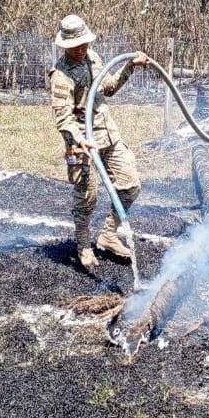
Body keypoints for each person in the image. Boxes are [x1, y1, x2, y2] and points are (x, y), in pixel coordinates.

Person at [48, 14, 149, 272]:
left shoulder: (94, 58)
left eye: (84, 43)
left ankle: (108, 235)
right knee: (87, 196)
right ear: (65, 46)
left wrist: (130, 66)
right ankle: (83, 245)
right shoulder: (61, 75)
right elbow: (64, 118)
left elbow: (109, 88)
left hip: (108, 136)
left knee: (130, 185)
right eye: (76, 46)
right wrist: (80, 140)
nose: (82, 50)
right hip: (81, 143)